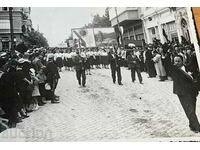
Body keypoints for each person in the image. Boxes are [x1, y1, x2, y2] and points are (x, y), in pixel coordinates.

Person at [171, 55, 200, 133]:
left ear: (182, 61)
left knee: (192, 109)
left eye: (178, 61)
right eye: (175, 61)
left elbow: (195, 76)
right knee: (189, 110)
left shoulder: (188, 68)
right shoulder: (174, 70)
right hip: (182, 92)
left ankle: (192, 125)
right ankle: (198, 127)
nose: (176, 63)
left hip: (192, 92)